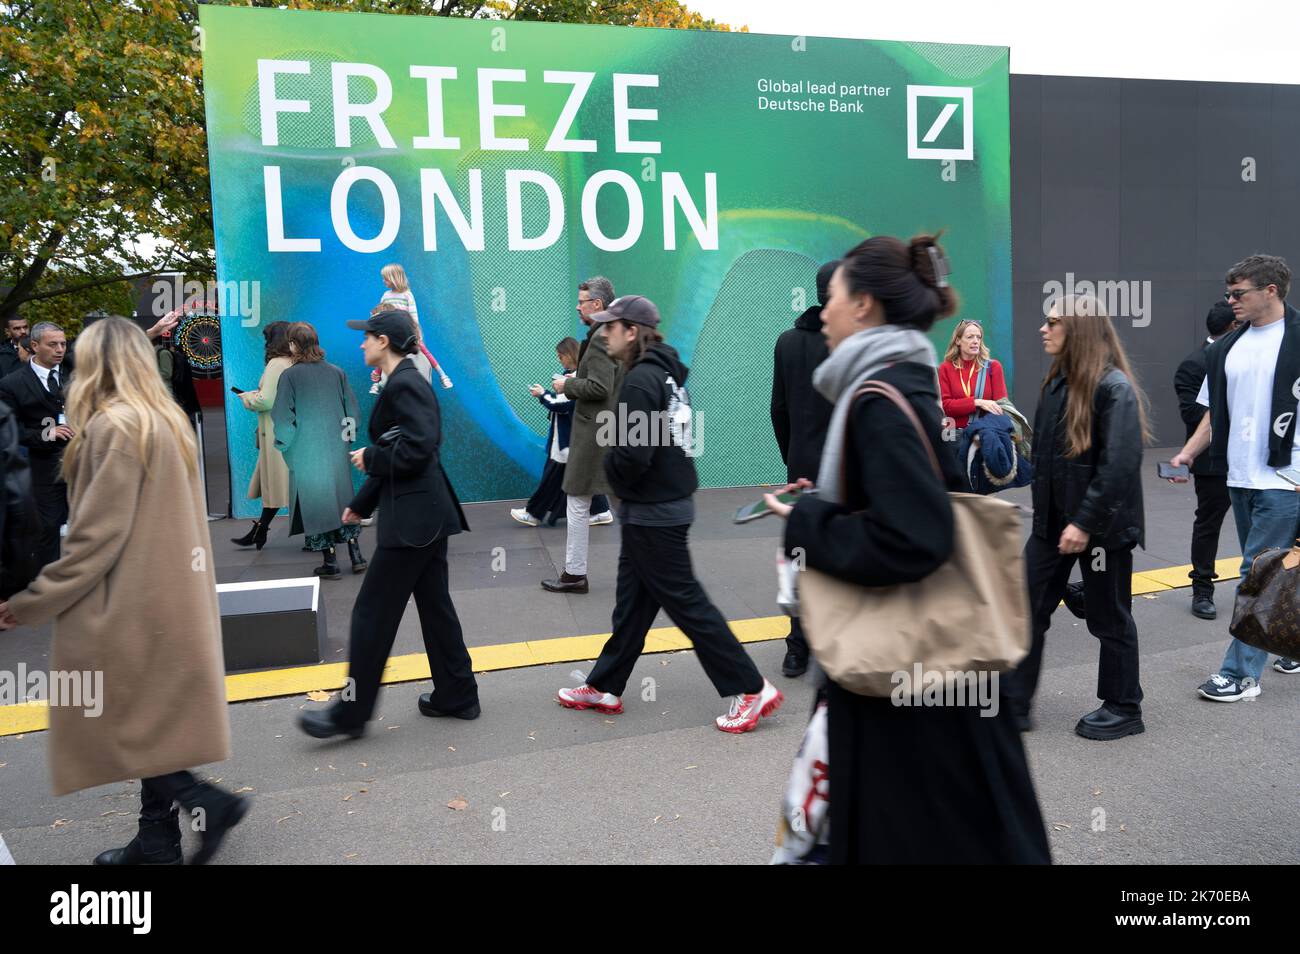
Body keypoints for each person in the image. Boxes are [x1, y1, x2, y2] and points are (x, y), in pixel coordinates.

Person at [768, 235, 1049, 863]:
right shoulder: (905, 377)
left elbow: (914, 536)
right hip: (926, 681)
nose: (823, 314)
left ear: (864, 304)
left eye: (833, 299)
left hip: (903, 684)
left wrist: (809, 523)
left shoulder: (876, 397)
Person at [0, 317, 247, 865]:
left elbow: (94, 538)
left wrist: (29, 601)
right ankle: (157, 838)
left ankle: (203, 800)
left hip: (129, 602)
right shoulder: (164, 419)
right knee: (152, 720)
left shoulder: (113, 426)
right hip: (175, 595)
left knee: (123, 719)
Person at [557, 296, 784, 733]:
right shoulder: (664, 372)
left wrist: (612, 474)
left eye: (610, 326)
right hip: (663, 504)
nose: (603, 334)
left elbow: (634, 453)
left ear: (631, 331)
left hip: (653, 511)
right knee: (633, 605)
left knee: (687, 604)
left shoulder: (640, 380)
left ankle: (751, 688)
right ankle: (604, 685)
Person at [299, 310, 479, 739]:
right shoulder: (402, 381)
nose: (361, 343)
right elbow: (403, 449)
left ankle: (351, 713)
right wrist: (361, 502)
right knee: (435, 608)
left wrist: (371, 458)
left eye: (367, 337)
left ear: (384, 342)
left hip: (415, 520)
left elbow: (421, 446)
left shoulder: (408, 383)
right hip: (425, 513)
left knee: (371, 614)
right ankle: (457, 693)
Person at [1001, 294, 1149, 740]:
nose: (1043, 330)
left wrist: (1084, 523)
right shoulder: (1057, 383)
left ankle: (1124, 707)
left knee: (1109, 617)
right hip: (1052, 525)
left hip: (1101, 529)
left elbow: (1119, 466)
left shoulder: (1113, 388)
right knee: (1026, 609)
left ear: (1078, 330)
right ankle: (1015, 701)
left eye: (1053, 322)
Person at [1170, 254, 1300, 698]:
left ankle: (1241, 675)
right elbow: (1213, 413)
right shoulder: (1225, 348)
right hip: (1239, 476)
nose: (1230, 301)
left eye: (1238, 293)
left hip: (1285, 477)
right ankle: (1289, 640)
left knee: (1255, 574)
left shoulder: (1298, 339)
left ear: (1271, 291)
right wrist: (1187, 454)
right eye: (1229, 294)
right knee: (1276, 571)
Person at [770, 259, 838, 678]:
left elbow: (778, 410)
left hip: (802, 467)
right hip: (846, 474)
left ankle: (797, 647)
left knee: (800, 556)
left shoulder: (787, 342)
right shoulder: (850, 343)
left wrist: (793, 458)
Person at [542, 277, 623, 593]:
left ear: (598, 305)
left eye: (581, 301)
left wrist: (567, 386)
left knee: (577, 500)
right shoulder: (609, 333)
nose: (577, 306)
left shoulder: (602, 338)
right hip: (607, 430)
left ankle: (574, 575)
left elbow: (600, 387)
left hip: (595, 433)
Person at [271, 322, 366, 579]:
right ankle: (356, 554)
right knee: (341, 498)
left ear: (293, 345)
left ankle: (330, 561)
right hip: (336, 446)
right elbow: (351, 411)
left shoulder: (289, 376)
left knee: (317, 502)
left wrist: (284, 443)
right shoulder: (336, 372)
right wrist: (346, 440)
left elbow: (282, 417)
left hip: (305, 447)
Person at [1172, 300, 1238, 619]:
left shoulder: (1244, 357)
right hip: (1213, 461)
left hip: (1251, 461)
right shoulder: (1195, 363)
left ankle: (1262, 593)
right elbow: (1192, 413)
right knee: (1209, 524)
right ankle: (1202, 590)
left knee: (1259, 529)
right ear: (1233, 328)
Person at [510, 336, 612, 528]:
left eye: (560, 356)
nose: (559, 359)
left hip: (567, 440)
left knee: (552, 478)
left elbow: (563, 405)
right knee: (580, 477)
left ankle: (533, 514)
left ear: (569, 355)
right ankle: (601, 510)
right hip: (570, 439)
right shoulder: (576, 377)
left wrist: (542, 394)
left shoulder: (574, 379)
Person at [0, 321, 72, 571]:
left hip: (83, 461)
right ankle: (46, 588)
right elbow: (11, 431)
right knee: (48, 527)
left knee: (93, 524)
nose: (60, 349)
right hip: (44, 467)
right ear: (34, 346)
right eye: (53, 344)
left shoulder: (75, 374)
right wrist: (46, 434)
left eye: (63, 344)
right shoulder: (12, 384)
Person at [232, 321, 293, 551]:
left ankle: (260, 531)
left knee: (276, 486)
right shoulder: (293, 361)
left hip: (275, 434)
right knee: (287, 487)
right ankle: (260, 531)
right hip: (287, 432)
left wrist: (248, 397)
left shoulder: (276, 363)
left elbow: (266, 400)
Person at [377, 263, 453, 389]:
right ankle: (376, 379)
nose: (383, 281)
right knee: (383, 352)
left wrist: (415, 333)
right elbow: (381, 313)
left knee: (424, 350)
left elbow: (413, 315)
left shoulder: (407, 295)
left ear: (395, 278)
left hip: (406, 331)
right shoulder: (386, 295)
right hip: (391, 332)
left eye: (386, 278)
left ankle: (442, 375)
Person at [938, 318, 1008, 430]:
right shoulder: (945, 368)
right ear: (958, 341)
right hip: (953, 434)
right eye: (970, 337)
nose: (976, 341)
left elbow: (1001, 408)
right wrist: (977, 402)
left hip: (983, 436)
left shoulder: (993, 367)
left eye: (978, 337)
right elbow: (947, 407)